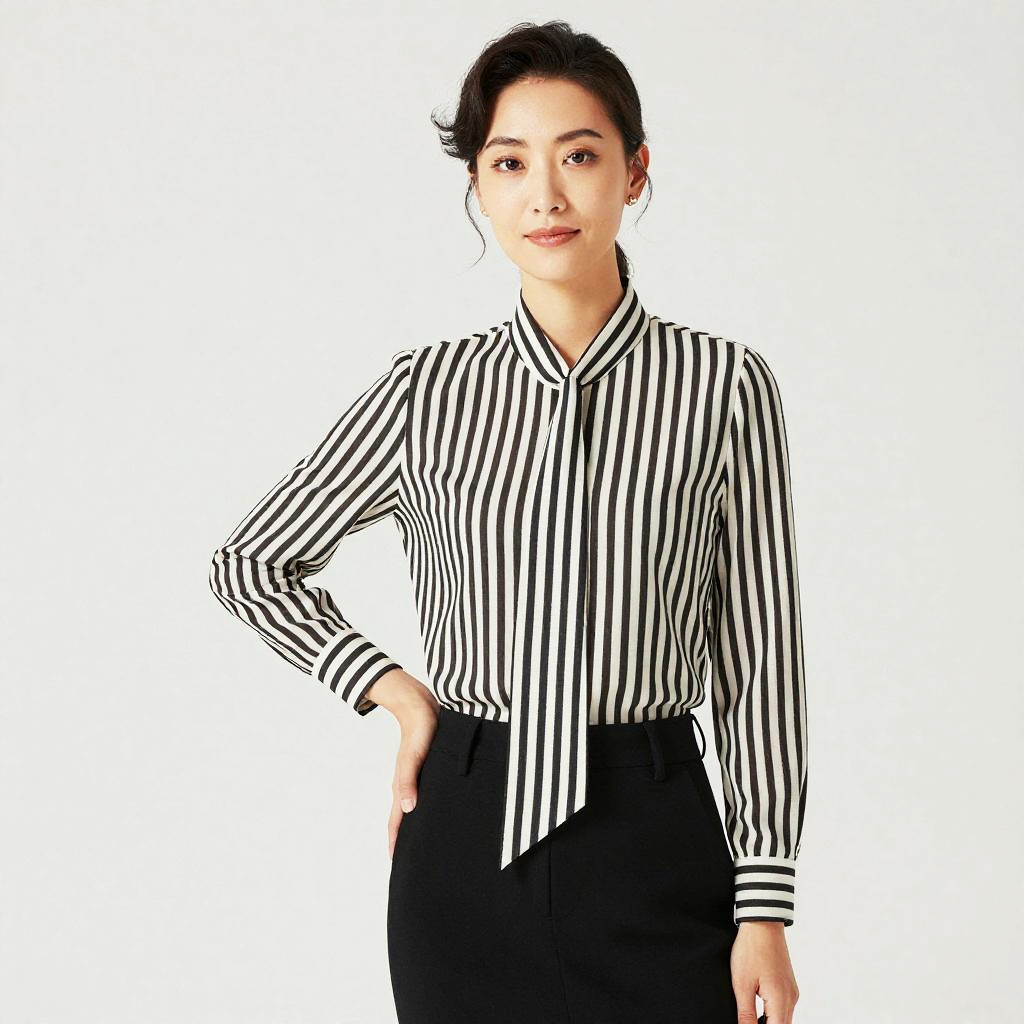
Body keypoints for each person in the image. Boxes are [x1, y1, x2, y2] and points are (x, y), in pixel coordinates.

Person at [209, 19, 806, 1024]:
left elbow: (760, 663)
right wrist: (393, 692)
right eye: (510, 162)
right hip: (464, 842)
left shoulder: (723, 387)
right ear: (478, 188)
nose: (546, 195)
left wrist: (765, 905)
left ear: (635, 170)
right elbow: (251, 562)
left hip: (654, 833)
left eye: (580, 155)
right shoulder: (427, 393)